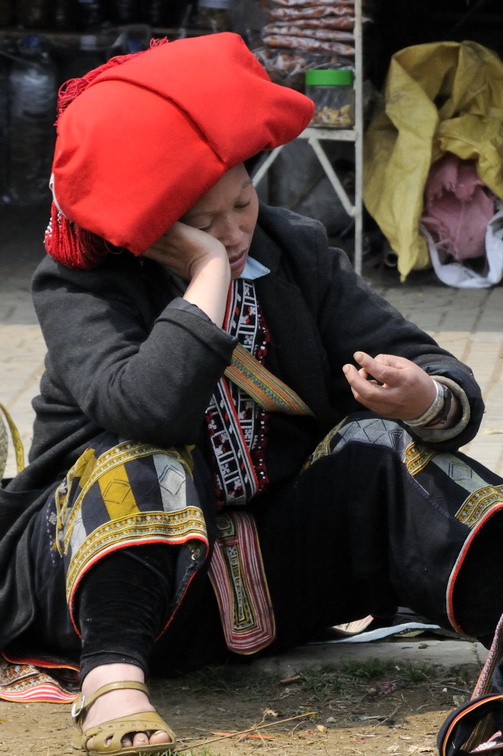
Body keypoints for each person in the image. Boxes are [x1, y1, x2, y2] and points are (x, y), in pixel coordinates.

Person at [1, 31, 503, 756]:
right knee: (142, 454)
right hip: (103, 587)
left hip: (273, 571)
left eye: (241, 203)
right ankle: (112, 680)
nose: (236, 233)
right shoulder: (83, 284)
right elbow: (146, 408)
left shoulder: (291, 246)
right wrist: (207, 274)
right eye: (201, 223)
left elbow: (438, 376)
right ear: (147, 226)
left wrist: (423, 396)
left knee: (381, 447)